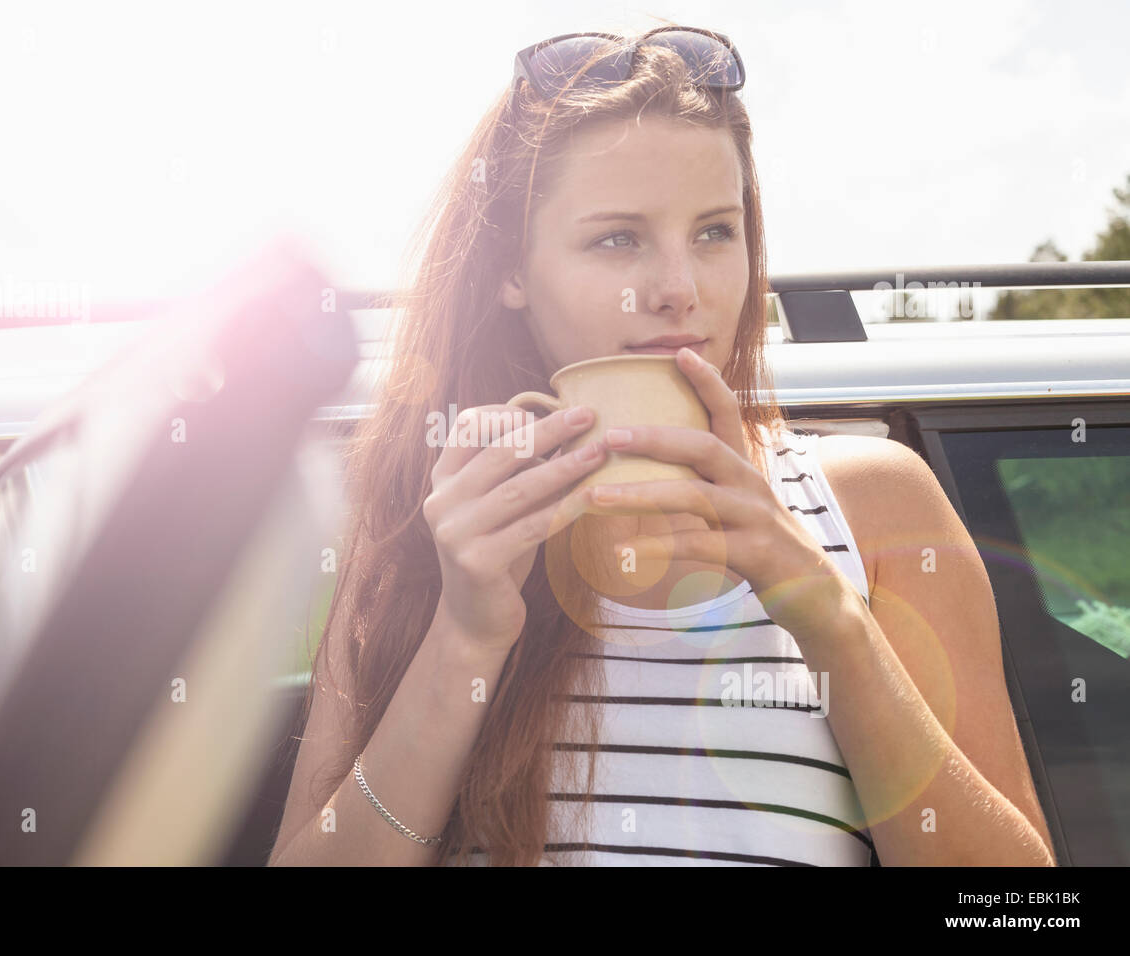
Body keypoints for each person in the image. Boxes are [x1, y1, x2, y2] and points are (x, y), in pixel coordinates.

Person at [267, 22, 1057, 867]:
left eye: (716, 231)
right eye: (618, 238)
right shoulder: (427, 523)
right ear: (512, 272)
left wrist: (824, 612)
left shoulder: (873, 504)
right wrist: (466, 636)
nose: (680, 290)